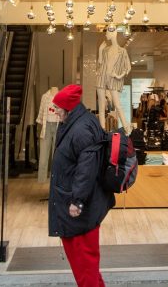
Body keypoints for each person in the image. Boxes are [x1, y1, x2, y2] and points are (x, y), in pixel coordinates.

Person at [47, 85, 115, 287]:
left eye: (57, 107)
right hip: (76, 205)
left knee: (84, 265)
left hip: (81, 210)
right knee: (86, 267)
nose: (55, 111)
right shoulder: (77, 123)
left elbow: (87, 169)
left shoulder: (81, 129)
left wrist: (77, 201)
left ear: (68, 107)